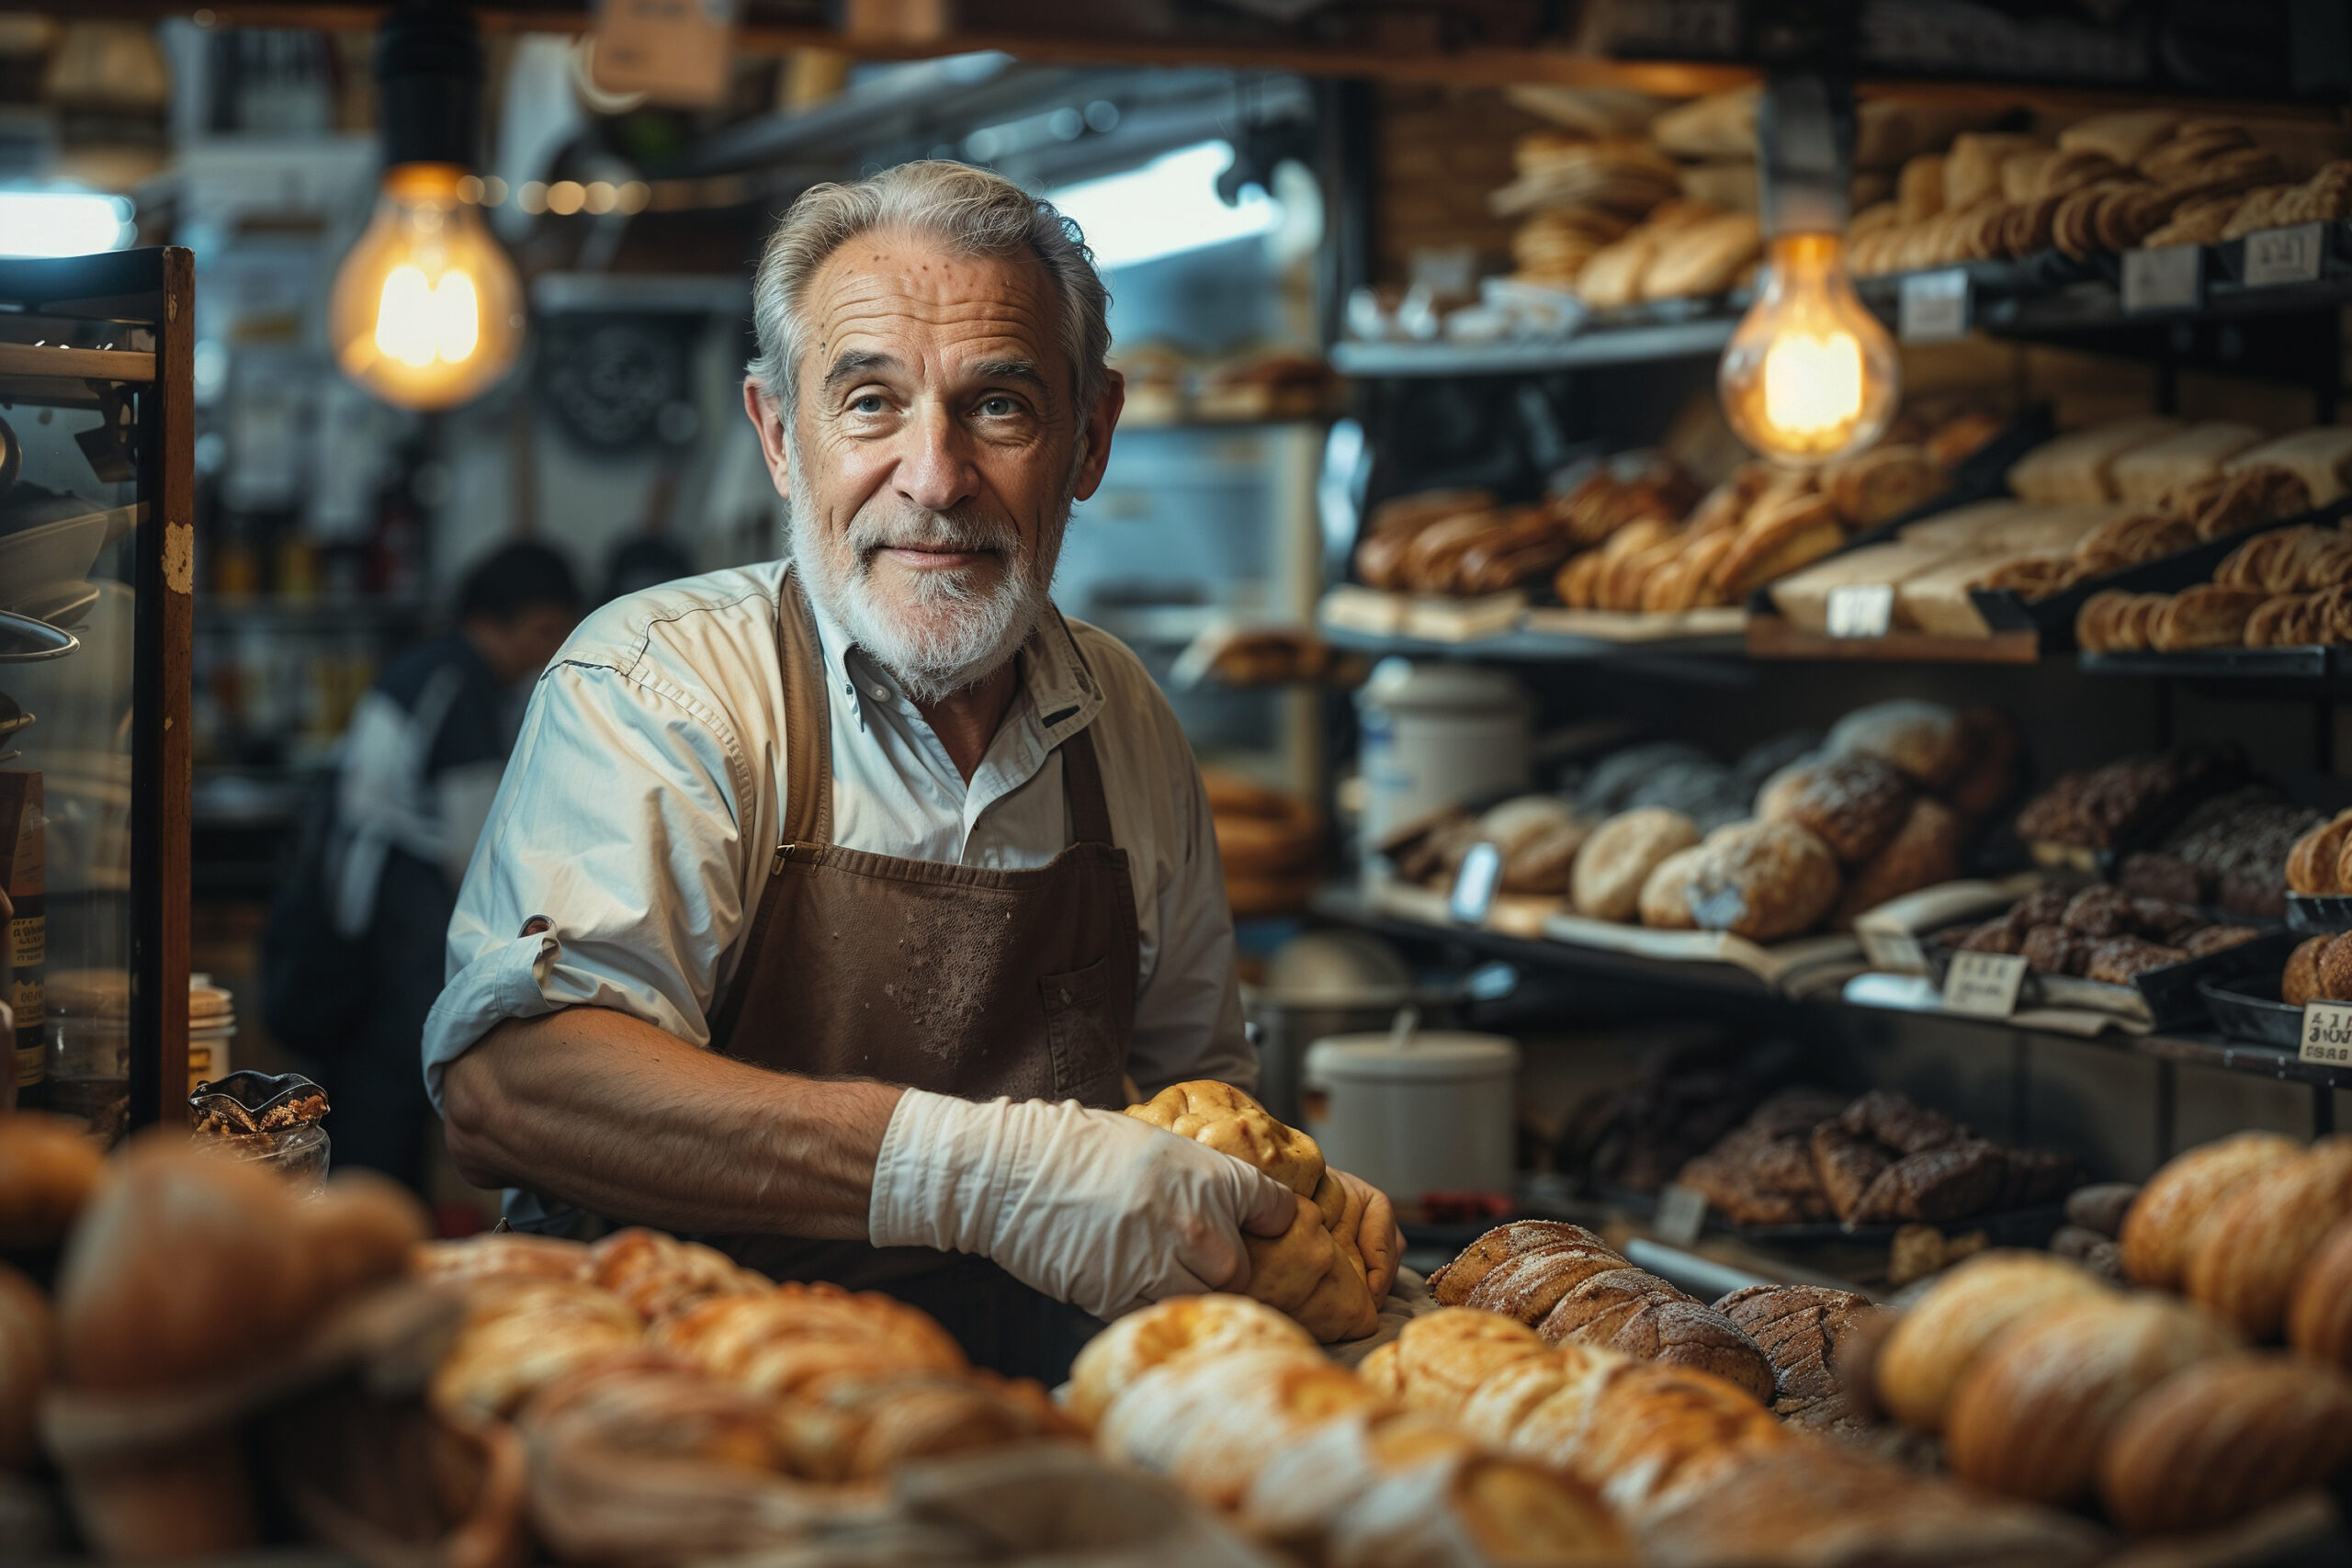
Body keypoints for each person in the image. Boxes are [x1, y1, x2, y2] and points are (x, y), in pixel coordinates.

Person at [425, 161, 1399, 1380]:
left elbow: (1188, 1091)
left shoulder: (1127, 722)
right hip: (695, 1420)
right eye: (871, 404)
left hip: (1041, 1431)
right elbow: (517, 1085)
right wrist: (991, 1177)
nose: (934, 481)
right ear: (781, 436)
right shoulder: (661, 687)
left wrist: (1275, 1200)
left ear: (1090, 437)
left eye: (999, 407)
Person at [308, 541, 582, 1195]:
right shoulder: (462, 683)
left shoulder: (433, 666)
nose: (549, 651)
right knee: (391, 1083)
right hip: (398, 900)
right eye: (547, 631)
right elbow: (475, 844)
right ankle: (376, 1232)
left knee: (373, 1078)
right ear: (502, 622)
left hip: (365, 898)